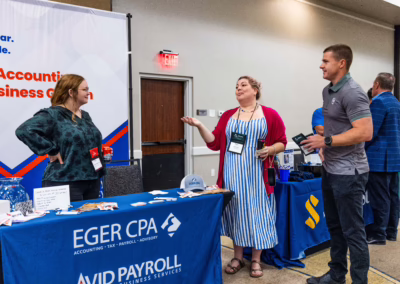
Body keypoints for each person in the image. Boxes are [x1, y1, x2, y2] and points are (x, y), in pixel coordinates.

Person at [181, 76, 287, 278]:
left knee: (259, 216)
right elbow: (213, 142)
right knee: (237, 215)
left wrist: (271, 149)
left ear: (255, 90)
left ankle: (256, 259)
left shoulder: (270, 115)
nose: (238, 89)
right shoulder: (229, 115)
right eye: (236, 86)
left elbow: (282, 141)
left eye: (243, 85)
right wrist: (199, 125)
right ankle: (238, 257)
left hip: (258, 176)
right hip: (232, 176)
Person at [302, 44, 373, 284]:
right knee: (334, 226)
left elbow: (365, 132)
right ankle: (336, 275)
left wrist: (327, 140)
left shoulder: (353, 92)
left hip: (350, 173)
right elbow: (334, 127)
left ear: (341, 63)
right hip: (331, 169)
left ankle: (359, 281)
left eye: (326, 61)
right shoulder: (328, 91)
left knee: (354, 232)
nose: (321, 65)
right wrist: (323, 145)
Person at [16, 74, 105, 202]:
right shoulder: (53, 114)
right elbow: (24, 130)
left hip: (92, 180)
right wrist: (51, 149)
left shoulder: (85, 115)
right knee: (71, 222)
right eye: (84, 89)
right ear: (71, 92)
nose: (88, 93)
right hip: (64, 181)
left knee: (90, 221)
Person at [365, 72, 400, 245]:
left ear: (377, 84)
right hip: (393, 158)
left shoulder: (378, 102)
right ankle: (391, 231)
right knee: (393, 195)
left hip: (379, 159)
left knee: (381, 197)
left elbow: (370, 133)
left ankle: (379, 234)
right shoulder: (396, 102)